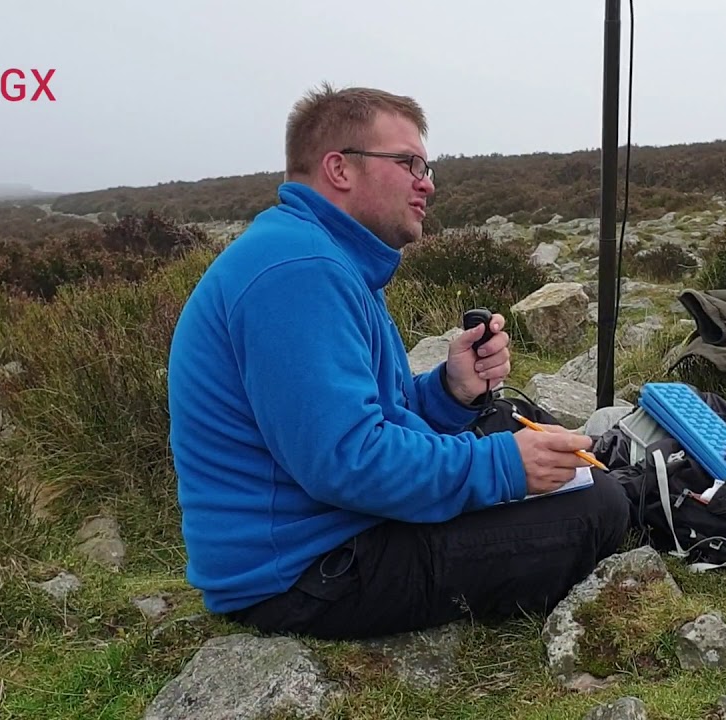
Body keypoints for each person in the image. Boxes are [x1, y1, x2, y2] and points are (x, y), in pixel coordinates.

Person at [166, 82, 631, 640]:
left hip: (327, 534)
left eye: (426, 166)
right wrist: (503, 467)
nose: (426, 183)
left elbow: (368, 414)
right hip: (302, 576)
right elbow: (347, 459)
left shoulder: (323, 256)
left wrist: (449, 392)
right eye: (409, 163)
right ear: (339, 169)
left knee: (512, 424)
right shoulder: (298, 272)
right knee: (599, 504)